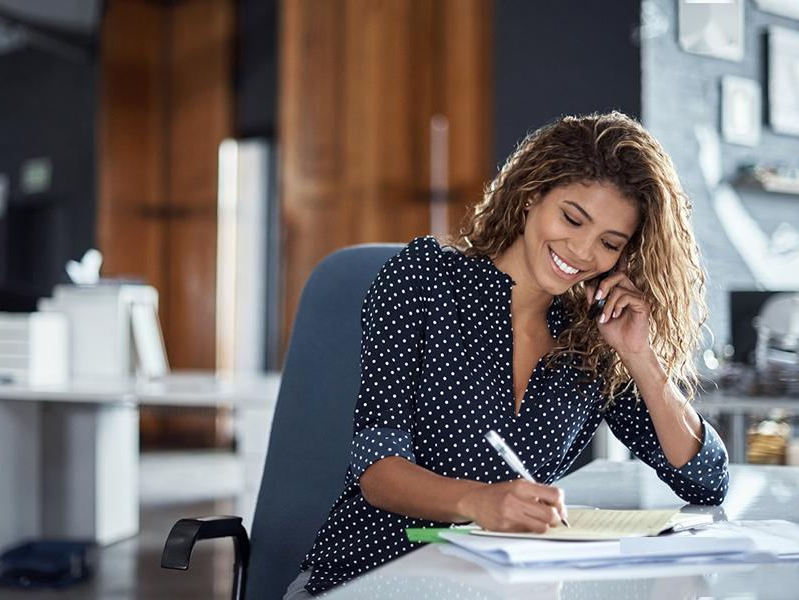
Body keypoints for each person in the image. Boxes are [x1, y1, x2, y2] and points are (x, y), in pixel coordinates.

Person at [284, 111, 729, 598]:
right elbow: (377, 468)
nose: (581, 251)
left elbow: (706, 482)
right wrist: (479, 501)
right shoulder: (423, 281)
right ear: (531, 195)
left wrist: (642, 357)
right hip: (369, 577)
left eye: (608, 243)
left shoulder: (592, 340)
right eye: (571, 218)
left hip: (498, 588)